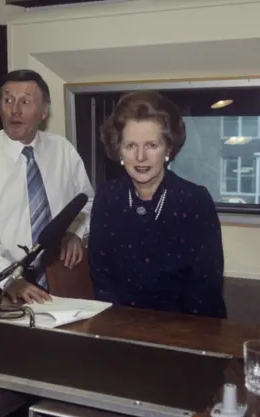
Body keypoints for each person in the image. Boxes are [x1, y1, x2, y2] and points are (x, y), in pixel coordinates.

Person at [0, 69, 94, 304]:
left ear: (44, 111)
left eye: (25, 101)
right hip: (4, 289)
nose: (15, 110)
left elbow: (87, 201)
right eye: (8, 100)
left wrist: (75, 232)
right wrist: (11, 279)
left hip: (63, 282)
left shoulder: (62, 150)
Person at [88, 91, 227, 319]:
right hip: (121, 329)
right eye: (131, 146)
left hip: (187, 331)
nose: (140, 157)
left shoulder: (194, 201)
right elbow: (102, 281)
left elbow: (205, 291)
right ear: (119, 150)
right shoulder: (107, 197)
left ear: (168, 150)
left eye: (151, 145)